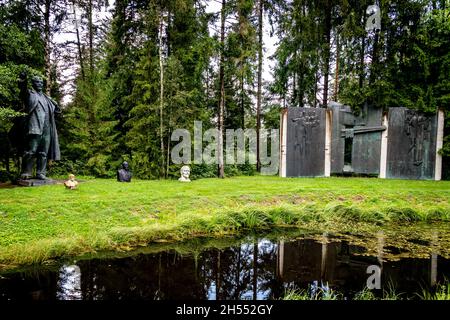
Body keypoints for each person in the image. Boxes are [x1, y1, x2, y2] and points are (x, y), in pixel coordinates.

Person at [18, 73, 61, 180]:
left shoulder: (47, 98)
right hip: (35, 126)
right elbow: (23, 91)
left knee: (43, 152)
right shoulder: (30, 94)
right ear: (33, 84)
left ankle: (40, 173)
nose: (40, 84)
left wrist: (56, 105)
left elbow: (57, 112)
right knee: (31, 151)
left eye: (41, 82)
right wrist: (23, 80)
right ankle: (26, 172)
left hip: (47, 128)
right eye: (37, 82)